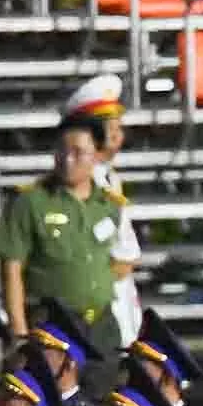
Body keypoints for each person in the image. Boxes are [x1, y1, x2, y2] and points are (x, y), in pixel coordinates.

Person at [0, 115, 128, 367]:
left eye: (78, 152)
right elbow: (11, 271)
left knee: (102, 397)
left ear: (97, 155)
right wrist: (20, 333)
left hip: (101, 322)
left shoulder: (109, 205)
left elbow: (118, 258)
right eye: (61, 151)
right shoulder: (31, 202)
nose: (68, 159)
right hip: (53, 325)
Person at [66, 75, 143, 347]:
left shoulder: (110, 179)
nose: (115, 134)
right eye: (106, 126)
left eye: (117, 125)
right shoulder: (80, 185)